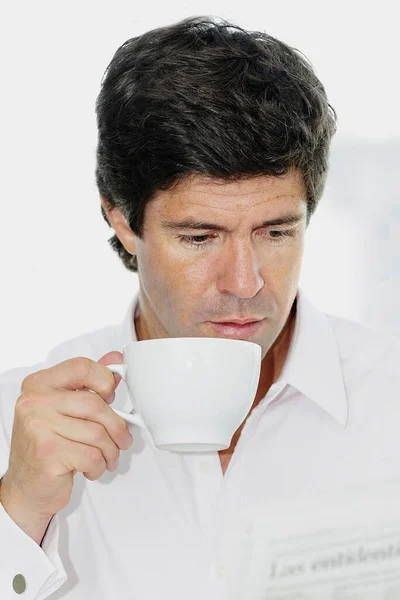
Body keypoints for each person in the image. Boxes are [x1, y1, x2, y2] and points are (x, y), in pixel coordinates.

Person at [1, 15, 400, 600]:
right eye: (199, 237)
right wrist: (18, 511)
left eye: (275, 232)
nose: (244, 283)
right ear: (122, 219)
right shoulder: (19, 423)